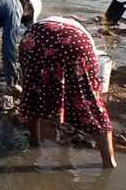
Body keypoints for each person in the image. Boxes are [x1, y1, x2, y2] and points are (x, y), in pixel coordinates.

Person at [18, 16, 117, 169]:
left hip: (33, 39)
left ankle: (34, 142)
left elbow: (49, 83)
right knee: (91, 105)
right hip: (76, 45)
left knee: (32, 91)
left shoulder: (43, 23)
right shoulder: (88, 44)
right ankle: (109, 161)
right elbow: (91, 84)